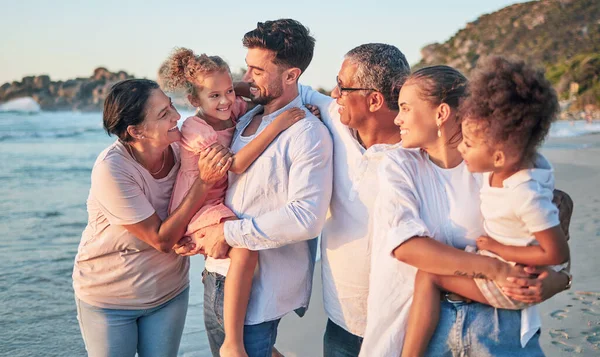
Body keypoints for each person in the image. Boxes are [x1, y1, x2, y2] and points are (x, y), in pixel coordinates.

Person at [360, 65, 572, 356]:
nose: (397, 118)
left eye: (406, 108)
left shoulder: (498, 161)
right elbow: (407, 247)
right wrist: (495, 268)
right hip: (427, 326)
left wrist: (558, 281)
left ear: (441, 114)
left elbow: (547, 229)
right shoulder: (398, 166)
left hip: (501, 326)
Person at [195, 19, 333, 357]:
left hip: (259, 291)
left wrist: (229, 233)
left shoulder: (307, 133)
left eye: (258, 70)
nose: (246, 78)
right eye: (247, 67)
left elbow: (306, 218)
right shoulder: (243, 117)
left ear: (291, 76)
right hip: (216, 276)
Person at [158, 48, 308, 357]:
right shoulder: (196, 129)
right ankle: (233, 342)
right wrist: (278, 126)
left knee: (237, 249)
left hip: (219, 203)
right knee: (244, 248)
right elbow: (236, 164)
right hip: (199, 208)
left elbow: (253, 95)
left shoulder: (231, 108)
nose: (225, 101)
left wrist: (234, 88)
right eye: (214, 96)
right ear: (194, 101)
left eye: (228, 91)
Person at [72, 79, 232, 357]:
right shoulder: (113, 169)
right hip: (109, 300)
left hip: (169, 293)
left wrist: (299, 109)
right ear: (136, 131)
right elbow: (161, 239)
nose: (177, 116)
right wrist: (203, 183)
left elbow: (227, 102)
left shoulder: (183, 147)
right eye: (163, 114)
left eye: (171, 106)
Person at [298, 43, 410, 357]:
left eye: (343, 86)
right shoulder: (336, 119)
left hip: (399, 330)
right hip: (340, 322)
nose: (334, 93)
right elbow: (295, 90)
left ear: (374, 100)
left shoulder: (419, 155)